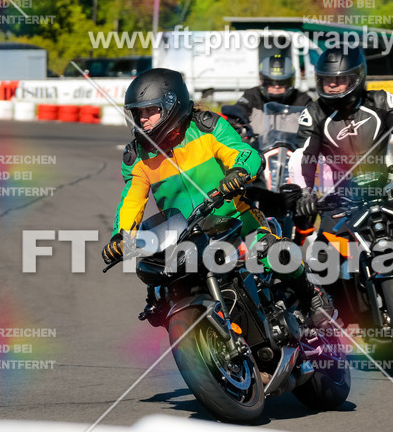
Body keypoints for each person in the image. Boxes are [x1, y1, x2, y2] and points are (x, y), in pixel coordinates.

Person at [101, 68, 331, 325]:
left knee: (274, 252)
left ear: (170, 105)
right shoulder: (137, 158)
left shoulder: (206, 127)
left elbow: (244, 153)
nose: (142, 119)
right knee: (158, 297)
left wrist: (240, 170)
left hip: (234, 218)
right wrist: (120, 237)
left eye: (149, 111)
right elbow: (131, 200)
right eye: (138, 112)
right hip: (182, 237)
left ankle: (312, 295)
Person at [295, 45, 393, 307]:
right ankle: (344, 316)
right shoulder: (313, 114)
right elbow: (304, 156)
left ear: (357, 77)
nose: (333, 86)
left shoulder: (382, 101)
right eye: (327, 80)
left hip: (384, 192)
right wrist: (304, 191)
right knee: (320, 261)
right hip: (339, 200)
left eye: (340, 79)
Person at [221, 51, 312, 143]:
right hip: (258, 151)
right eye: (271, 82)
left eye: (281, 83)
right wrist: (234, 123)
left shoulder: (302, 100)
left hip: (293, 152)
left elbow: (316, 121)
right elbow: (238, 110)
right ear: (263, 81)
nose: (276, 87)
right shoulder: (252, 95)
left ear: (290, 82)